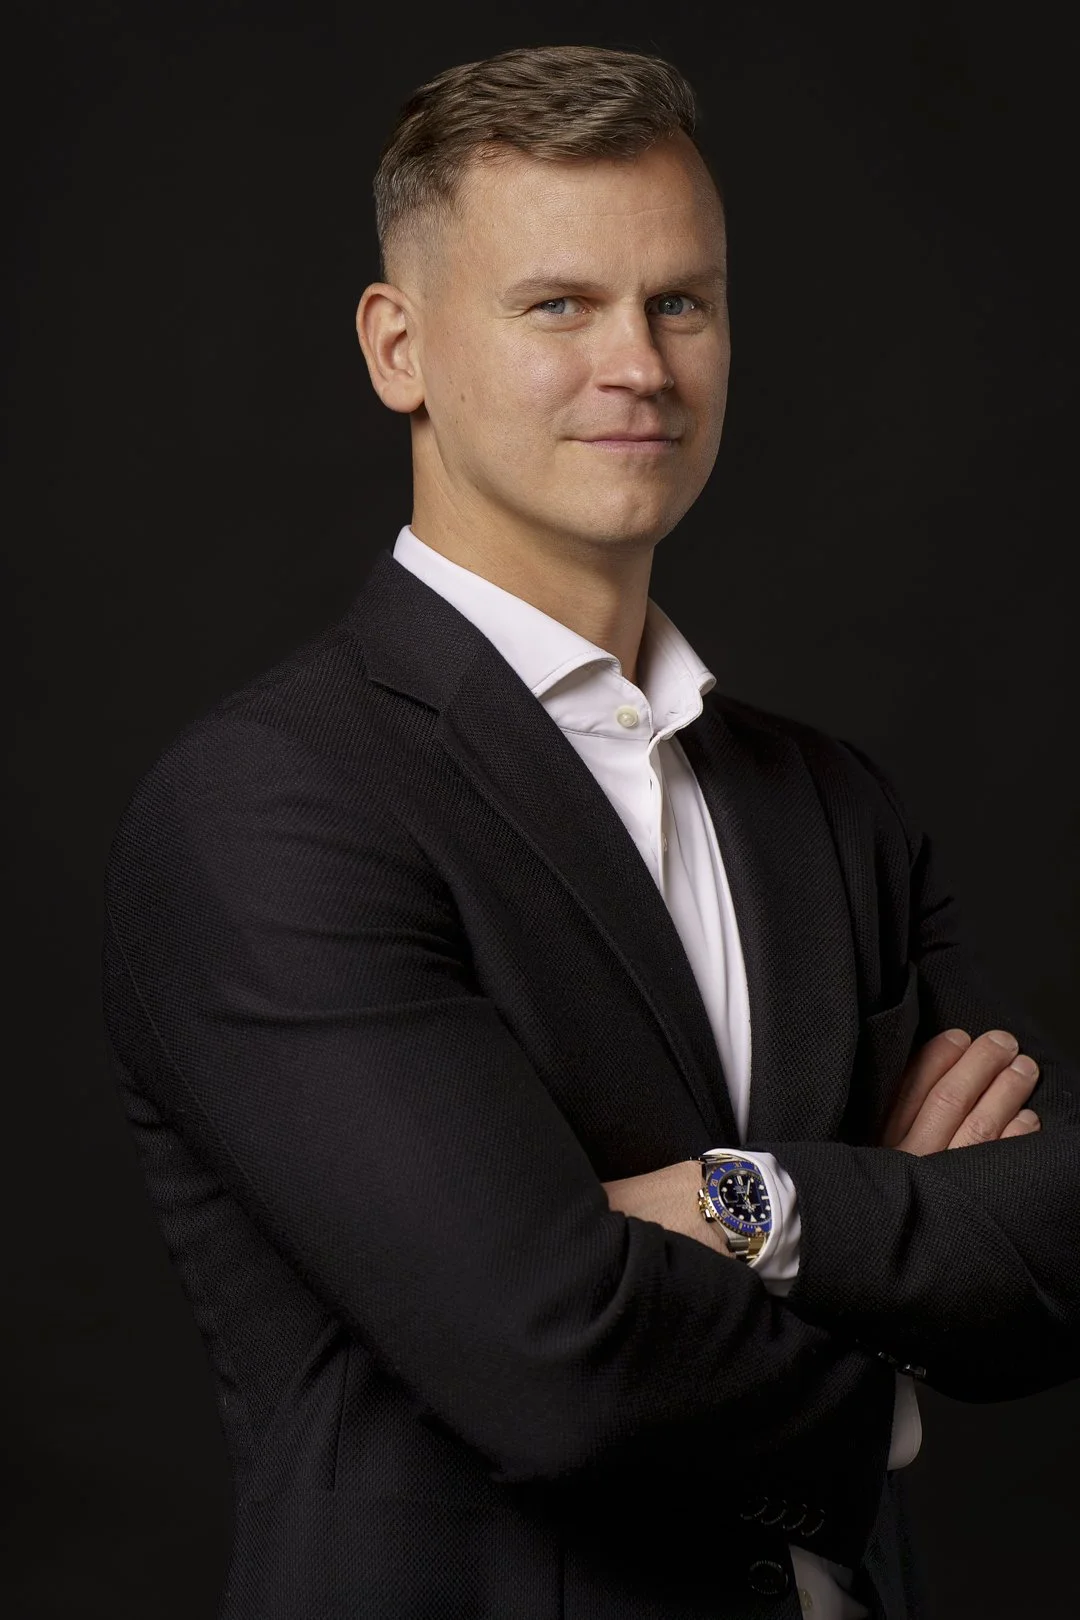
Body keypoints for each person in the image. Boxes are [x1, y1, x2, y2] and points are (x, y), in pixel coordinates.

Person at [101, 42, 1080, 1620]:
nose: (640, 364)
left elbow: (1053, 1248)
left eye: (679, 302)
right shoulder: (274, 804)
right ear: (399, 348)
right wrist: (887, 1323)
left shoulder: (831, 800)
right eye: (559, 305)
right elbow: (551, 1355)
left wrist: (743, 1207)